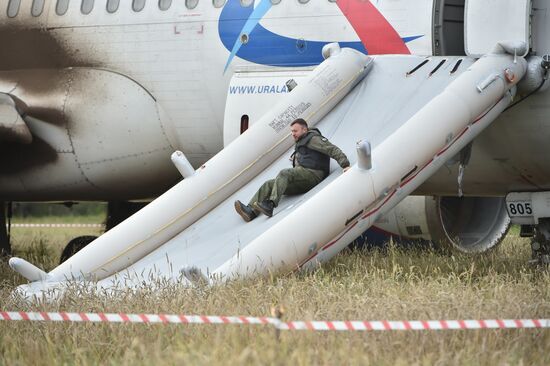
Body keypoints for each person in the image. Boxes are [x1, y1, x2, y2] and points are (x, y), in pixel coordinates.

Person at [235, 118, 350, 222]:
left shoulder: (313, 139)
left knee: (284, 173)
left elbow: (332, 149)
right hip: (304, 177)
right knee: (269, 184)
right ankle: (250, 211)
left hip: (314, 175)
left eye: (295, 131)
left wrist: (345, 165)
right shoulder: (302, 142)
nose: (292, 134)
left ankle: (271, 205)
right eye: (291, 131)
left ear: (304, 130)